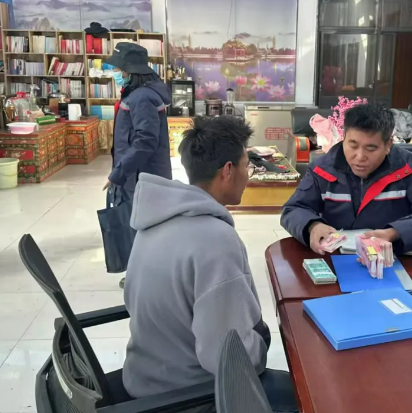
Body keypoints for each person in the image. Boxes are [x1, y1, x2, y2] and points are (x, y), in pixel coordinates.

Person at [122, 116, 298, 413]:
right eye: (247, 166)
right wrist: (261, 339)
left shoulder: (153, 218)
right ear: (228, 170)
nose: (248, 176)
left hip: (145, 376)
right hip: (188, 395)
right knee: (313, 395)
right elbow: (230, 359)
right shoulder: (215, 241)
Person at [281, 102, 412, 255]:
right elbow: (294, 209)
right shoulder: (322, 169)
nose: (360, 157)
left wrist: (394, 233)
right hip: (335, 257)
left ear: (388, 145)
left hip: (392, 257)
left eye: (371, 148)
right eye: (353, 145)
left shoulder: (408, 168)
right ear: (343, 138)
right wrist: (312, 226)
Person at [102, 42, 172, 288]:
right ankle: (144, 274)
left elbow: (145, 142)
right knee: (141, 226)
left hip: (142, 176)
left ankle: (146, 278)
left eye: (118, 69)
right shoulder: (139, 93)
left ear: (129, 71)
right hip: (137, 174)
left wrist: (118, 174)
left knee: (143, 228)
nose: (116, 73)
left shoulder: (142, 97)